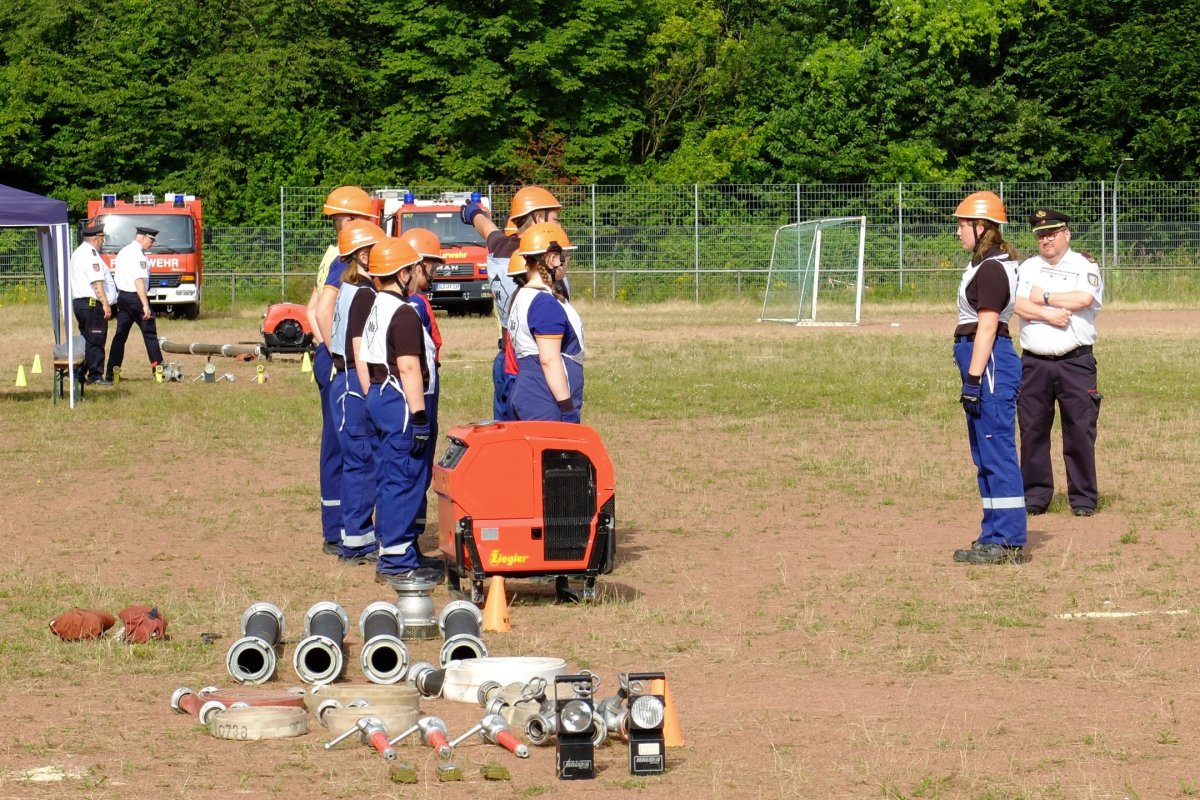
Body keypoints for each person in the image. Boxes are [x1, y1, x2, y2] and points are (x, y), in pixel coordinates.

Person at [949, 191, 1027, 565]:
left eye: (962, 224)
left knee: (997, 450)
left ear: (981, 226)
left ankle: (1009, 540)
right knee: (984, 454)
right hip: (984, 361)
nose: (958, 232)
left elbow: (988, 325)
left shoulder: (993, 268)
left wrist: (974, 378)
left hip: (990, 362)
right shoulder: (986, 264)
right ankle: (992, 533)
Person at [360, 238, 442, 586]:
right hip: (401, 402)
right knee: (404, 478)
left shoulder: (377, 305)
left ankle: (397, 548)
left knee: (389, 476)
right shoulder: (404, 312)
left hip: (380, 394)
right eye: (411, 269)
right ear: (403, 273)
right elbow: (409, 367)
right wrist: (419, 417)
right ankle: (397, 560)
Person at [1014, 209, 1104, 517]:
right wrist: (1049, 315)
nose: (1046, 240)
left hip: (1075, 363)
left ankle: (1083, 498)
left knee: (1079, 431)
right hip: (1034, 363)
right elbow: (1017, 304)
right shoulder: (1027, 267)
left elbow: (1083, 299)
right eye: (1040, 235)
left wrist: (1044, 296)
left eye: (1052, 233)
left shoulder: (1084, 265)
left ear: (1067, 234)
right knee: (1032, 430)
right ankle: (1035, 496)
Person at [309, 186, 378, 557]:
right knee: (347, 445)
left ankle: (336, 525)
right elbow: (322, 311)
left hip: (329, 354)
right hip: (340, 360)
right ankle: (341, 529)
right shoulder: (344, 261)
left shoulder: (332, 255)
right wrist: (337, 354)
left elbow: (311, 309)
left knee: (336, 444)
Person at [460, 187, 562, 420]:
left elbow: (487, 229)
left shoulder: (500, 246)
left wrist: (472, 213)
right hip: (532, 362)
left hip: (505, 358)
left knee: (504, 431)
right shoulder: (538, 259)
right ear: (539, 218)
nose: (559, 226)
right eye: (556, 219)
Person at [328, 219, 387, 564]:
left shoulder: (348, 288)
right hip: (355, 382)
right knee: (362, 462)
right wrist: (370, 393)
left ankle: (353, 535)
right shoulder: (365, 294)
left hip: (344, 379)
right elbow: (359, 346)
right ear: (364, 256)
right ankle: (357, 541)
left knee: (355, 462)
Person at [398, 227, 446, 569]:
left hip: (426, 387)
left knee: (420, 470)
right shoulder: (414, 305)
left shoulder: (414, 303)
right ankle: (406, 542)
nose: (435, 272)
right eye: (432, 265)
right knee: (415, 468)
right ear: (417, 266)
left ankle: (410, 538)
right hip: (422, 392)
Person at [506, 222, 584, 423]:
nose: (567, 261)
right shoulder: (544, 303)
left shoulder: (522, 296)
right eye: (564, 256)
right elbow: (549, 360)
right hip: (544, 397)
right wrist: (567, 408)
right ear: (551, 259)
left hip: (530, 390)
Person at [105, 226, 164, 380]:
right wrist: (145, 304)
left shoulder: (124, 251)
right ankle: (159, 370)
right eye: (151, 240)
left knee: (120, 336)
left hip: (123, 297)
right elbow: (138, 281)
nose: (152, 243)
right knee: (150, 334)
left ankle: (111, 373)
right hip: (136, 298)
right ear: (142, 238)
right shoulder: (138, 255)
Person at [68, 221, 115, 384]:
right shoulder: (90, 255)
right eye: (102, 238)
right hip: (91, 304)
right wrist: (105, 303)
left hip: (81, 303)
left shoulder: (78, 252)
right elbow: (96, 282)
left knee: (87, 339)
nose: (103, 242)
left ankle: (80, 373)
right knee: (96, 339)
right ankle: (95, 375)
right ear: (96, 239)